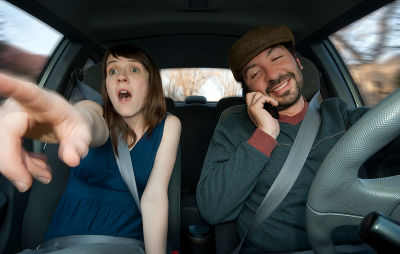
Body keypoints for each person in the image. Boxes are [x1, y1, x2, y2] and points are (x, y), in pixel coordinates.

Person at [196, 25, 399, 253]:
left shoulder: (341, 115)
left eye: (277, 58)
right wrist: (265, 135)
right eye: (255, 74)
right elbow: (212, 208)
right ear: (249, 90)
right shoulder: (234, 126)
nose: (272, 75)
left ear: (298, 63)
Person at [0, 44, 181, 254]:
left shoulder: (169, 125)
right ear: (107, 84)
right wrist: (74, 118)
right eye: (113, 71)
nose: (121, 76)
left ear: (150, 83)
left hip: (125, 246)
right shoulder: (97, 111)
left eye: (133, 69)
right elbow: (89, 119)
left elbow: (155, 197)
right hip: (58, 246)